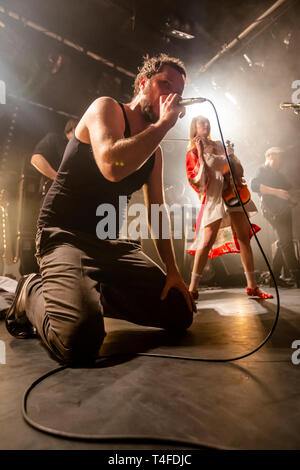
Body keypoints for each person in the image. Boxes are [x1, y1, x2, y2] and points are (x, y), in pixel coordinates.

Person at [6, 54, 195, 364]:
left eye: (177, 92)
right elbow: (111, 164)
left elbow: (157, 213)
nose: (170, 96)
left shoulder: (153, 152)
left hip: (108, 244)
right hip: (63, 235)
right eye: (163, 85)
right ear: (142, 83)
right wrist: (163, 125)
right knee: (79, 341)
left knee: (180, 311)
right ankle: (30, 291)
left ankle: (88, 290)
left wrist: (173, 271)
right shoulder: (106, 108)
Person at [186, 115, 273, 300]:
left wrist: (231, 156)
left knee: (244, 239)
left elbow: (240, 172)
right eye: (202, 123)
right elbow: (199, 183)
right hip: (214, 199)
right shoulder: (193, 152)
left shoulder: (219, 144)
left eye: (208, 122)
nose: (207, 125)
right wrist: (201, 155)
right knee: (206, 242)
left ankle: (252, 286)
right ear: (194, 127)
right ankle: (192, 288)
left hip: (233, 195)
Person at [251, 147, 300, 288]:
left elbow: (290, 190)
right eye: (278, 158)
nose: (281, 161)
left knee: (284, 241)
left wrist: (291, 198)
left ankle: (274, 277)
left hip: (284, 210)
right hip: (272, 211)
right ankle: (297, 276)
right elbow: (254, 185)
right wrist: (277, 192)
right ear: (270, 157)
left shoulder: (279, 175)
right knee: (286, 242)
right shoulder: (262, 170)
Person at [31, 119, 78, 197]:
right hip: (52, 194)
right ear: (74, 129)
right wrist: (58, 179)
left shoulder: (80, 149)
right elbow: (36, 159)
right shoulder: (54, 138)